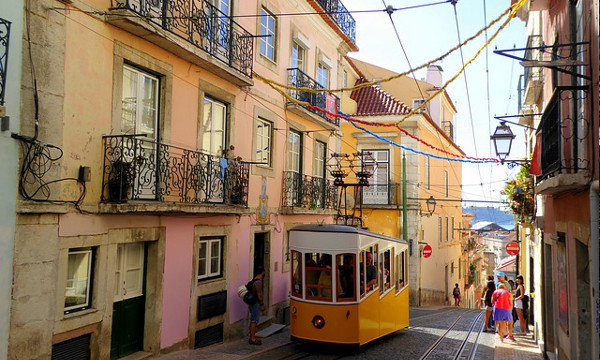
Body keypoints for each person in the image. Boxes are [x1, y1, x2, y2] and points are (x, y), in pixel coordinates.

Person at [248, 266, 266, 345]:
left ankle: (252, 337)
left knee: (253, 320)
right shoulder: (258, 282)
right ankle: (252, 339)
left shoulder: (253, 280)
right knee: (254, 321)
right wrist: (262, 304)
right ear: (263, 272)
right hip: (255, 304)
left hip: (252, 303)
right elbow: (259, 295)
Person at [496, 271, 514, 336]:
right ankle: (502, 331)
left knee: (505, 319)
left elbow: (509, 294)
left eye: (499, 276)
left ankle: (505, 332)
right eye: (497, 276)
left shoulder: (507, 285)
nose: (498, 278)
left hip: (505, 303)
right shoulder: (498, 284)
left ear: (503, 277)